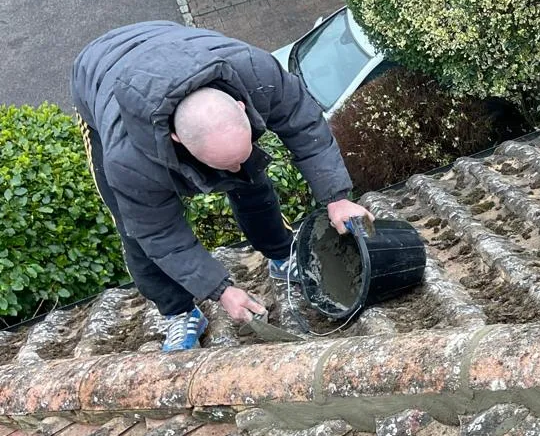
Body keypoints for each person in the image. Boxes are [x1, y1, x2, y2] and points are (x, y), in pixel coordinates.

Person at [72, 21, 373, 352]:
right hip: (99, 74)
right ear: (177, 140)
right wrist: (220, 290)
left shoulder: (259, 76)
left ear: (242, 107)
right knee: (134, 229)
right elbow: (159, 234)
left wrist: (337, 198)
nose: (233, 168)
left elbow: (305, 127)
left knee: (250, 177)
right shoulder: (128, 159)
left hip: (167, 40)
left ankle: (280, 253)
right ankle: (178, 312)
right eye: (222, 163)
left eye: (238, 155)